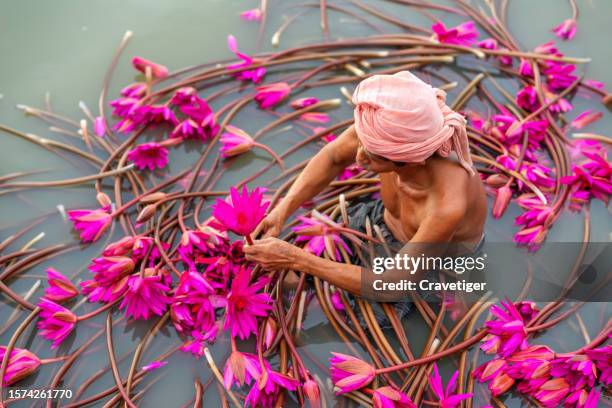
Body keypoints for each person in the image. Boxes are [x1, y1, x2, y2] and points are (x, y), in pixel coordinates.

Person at [243, 70, 487, 298]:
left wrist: (299, 260)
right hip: (383, 225)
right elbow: (333, 157)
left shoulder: (446, 203)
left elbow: (393, 285)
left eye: (374, 156)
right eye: (361, 143)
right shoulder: (382, 130)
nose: (359, 157)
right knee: (284, 281)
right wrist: (281, 211)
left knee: (357, 315)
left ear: (411, 160)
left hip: (433, 267)